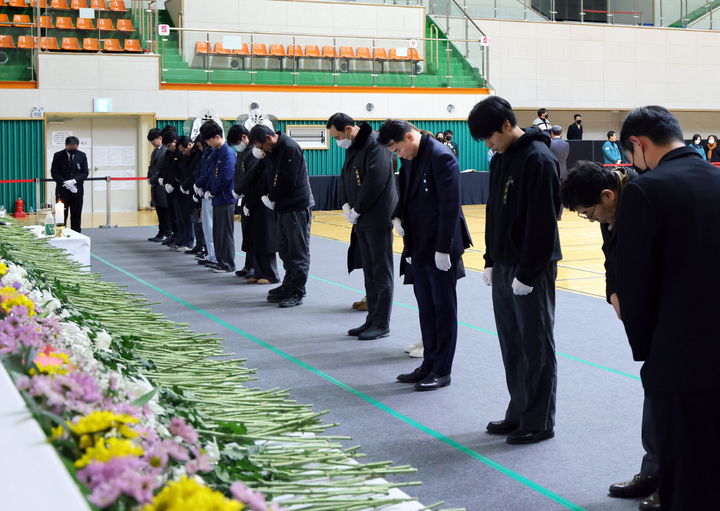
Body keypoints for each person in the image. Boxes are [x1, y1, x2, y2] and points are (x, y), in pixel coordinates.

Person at [615, 105, 720, 511]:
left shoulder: (647, 190)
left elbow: (635, 286)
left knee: (684, 468)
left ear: (638, 145)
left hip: (681, 355)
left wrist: (648, 353)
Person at [560, 162, 660, 511]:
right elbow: (609, 256)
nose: (592, 220)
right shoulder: (613, 206)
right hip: (646, 318)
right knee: (655, 393)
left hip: (672, 317)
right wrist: (613, 291)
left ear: (607, 195)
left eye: (590, 213)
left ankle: (674, 479)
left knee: (673, 401)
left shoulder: (647, 200)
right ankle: (653, 472)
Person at [468, 96, 561, 444]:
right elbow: (495, 215)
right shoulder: (501, 160)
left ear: (507, 126)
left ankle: (539, 420)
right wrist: (491, 259)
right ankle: (518, 410)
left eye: (490, 138)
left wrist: (528, 271)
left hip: (530, 268)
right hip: (505, 263)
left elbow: (544, 222)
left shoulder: (539, 160)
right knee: (512, 342)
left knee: (535, 343)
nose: (490, 145)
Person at [378, 119, 472, 391]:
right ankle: (429, 362)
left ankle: (442, 370)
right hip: (418, 243)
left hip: (441, 245)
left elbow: (450, 205)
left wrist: (444, 247)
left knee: (443, 309)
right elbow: (405, 196)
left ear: (409, 137)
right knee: (426, 307)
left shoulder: (442, 157)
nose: (398, 155)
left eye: (397, 149)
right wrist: (398, 218)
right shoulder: (409, 158)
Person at [328, 112, 398, 341]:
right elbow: (345, 175)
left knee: (381, 271)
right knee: (369, 269)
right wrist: (346, 203)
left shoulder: (376, 144)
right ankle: (371, 319)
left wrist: (359, 207)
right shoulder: (354, 147)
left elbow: (376, 180)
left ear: (348, 129)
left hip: (377, 217)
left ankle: (381, 323)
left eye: (337, 136)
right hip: (361, 218)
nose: (337, 141)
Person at [250, 124, 314, 308]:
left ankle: (297, 291)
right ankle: (288, 285)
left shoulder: (289, 149)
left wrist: (271, 197)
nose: (262, 150)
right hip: (283, 207)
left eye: (261, 146)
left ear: (269, 139)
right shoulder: (273, 151)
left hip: (296, 207)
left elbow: (288, 181)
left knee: (298, 252)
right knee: (285, 250)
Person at [231, 124, 279, 285]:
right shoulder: (249, 154)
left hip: (262, 200)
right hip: (250, 199)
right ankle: (257, 271)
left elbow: (260, 180)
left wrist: (248, 199)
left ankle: (270, 273)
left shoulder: (263, 155)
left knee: (265, 239)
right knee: (253, 239)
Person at [201, 121, 237, 273]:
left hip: (225, 197)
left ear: (217, 137)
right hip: (217, 197)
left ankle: (227, 263)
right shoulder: (217, 152)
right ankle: (221, 261)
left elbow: (226, 177)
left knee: (225, 233)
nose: (208, 143)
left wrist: (214, 191)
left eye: (209, 140)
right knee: (218, 232)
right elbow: (210, 173)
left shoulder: (227, 153)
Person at [227, 124, 256, 280]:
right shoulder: (242, 152)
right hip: (243, 196)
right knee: (247, 233)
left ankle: (254, 266)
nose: (236, 147)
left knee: (253, 233)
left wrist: (241, 189)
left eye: (237, 143)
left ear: (245, 138)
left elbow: (251, 176)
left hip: (252, 197)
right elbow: (237, 173)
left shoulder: (253, 152)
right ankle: (248, 264)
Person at [50, 136, 88, 232]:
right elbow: (54, 173)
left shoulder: (82, 155)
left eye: (75, 147)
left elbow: (85, 173)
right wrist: (65, 183)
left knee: (76, 216)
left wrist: (74, 181)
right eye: (71, 147)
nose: (73, 149)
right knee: (61, 216)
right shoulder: (58, 155)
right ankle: (60, 235)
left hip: (77, 191)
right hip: (62, 191)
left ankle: (76, 236)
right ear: (66, 146)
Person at [171, 136, 199, 252]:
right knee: (184, 216)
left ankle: (190, 241)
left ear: (189, 145)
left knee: (192, 218)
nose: (183, 152)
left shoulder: (196, 155)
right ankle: (185, 239)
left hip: (193, 189)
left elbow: (194, 173)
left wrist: (186, 185)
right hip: (185, 187)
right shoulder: (186, 156)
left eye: (184, 150)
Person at [146, 128, 172, 242]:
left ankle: (167, 232)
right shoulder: (155, 151)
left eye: (153, 141)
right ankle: (161, 232)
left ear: (160, 138)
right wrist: (149, 178)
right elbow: (152, 167)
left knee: (164, 210)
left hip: (161, 184)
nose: (152, 143)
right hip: (155, 184)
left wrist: (153, 178)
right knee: (158, 209)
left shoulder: (165, 150)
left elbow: (161, 169)